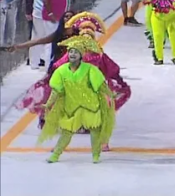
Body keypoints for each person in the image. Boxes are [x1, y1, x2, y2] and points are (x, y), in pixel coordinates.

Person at [37, 30, 116, 163]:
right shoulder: (61, 71)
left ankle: (95, 156)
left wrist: (110, 95)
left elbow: (101, 85)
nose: (72, 54)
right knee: (67, 132)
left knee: (95, 130)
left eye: (76, 52)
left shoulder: (90, 69)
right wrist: (48, 104)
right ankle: (56, 154)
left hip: (91, 105)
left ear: (81, 55)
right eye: (71, 52)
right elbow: (56, 90)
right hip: (71, 106)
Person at [30, 0, 59, 67]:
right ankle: (48, 64)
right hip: (49, 13)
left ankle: (34, 63)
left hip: (36, 11)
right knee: (50, 38)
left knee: (36, 37)